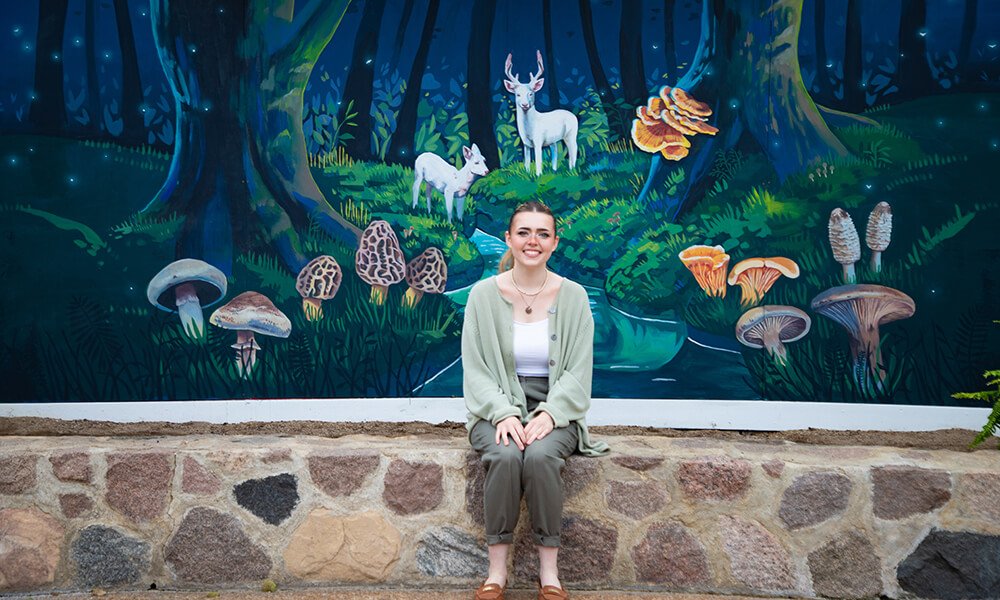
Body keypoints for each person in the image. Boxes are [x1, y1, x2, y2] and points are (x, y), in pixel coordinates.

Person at [462, 201, 609, 600]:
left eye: (543, 234)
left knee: (541, 456)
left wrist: (552, 413)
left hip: (555, 406)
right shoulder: (482, 296)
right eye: (524, 232)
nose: (533, 241)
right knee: (505, 455)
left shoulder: (575, 297)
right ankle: (497, 573)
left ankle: (549, 574)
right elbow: (476, 370)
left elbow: (578, 371)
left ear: (555, 242)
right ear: (508, 239)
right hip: (495, 406)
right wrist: (503, 413)